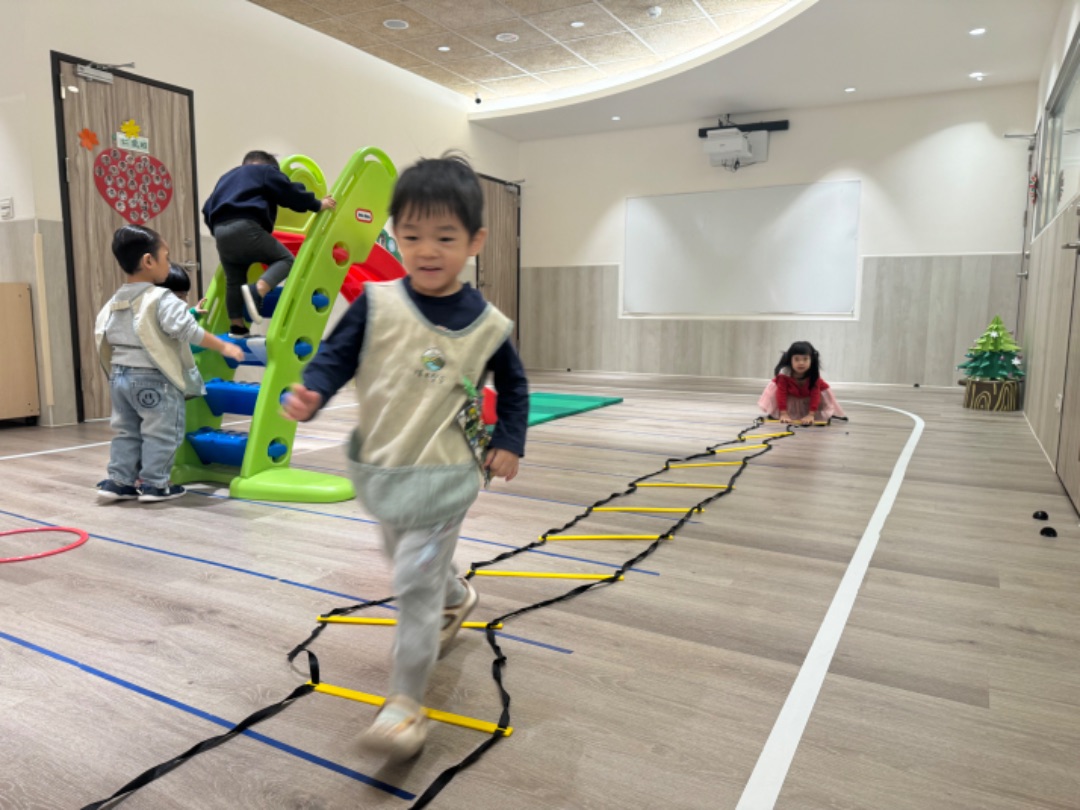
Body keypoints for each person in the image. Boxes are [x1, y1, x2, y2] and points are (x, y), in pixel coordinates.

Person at [283, 154, 529, 761]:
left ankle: (404, 706)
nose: (427, 250)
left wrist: (509, 441)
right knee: (408, 560)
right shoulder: (376, 301)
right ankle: (456, 595)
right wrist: (313, 391)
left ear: (474, 242)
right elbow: (336, 356)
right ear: (395, 235)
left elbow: (515, 386)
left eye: (445, 237)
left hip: (446, 474)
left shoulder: (489, 324)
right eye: (412, 236)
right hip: (384, 470)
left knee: (410, 584)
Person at [95, 224, 244, 503]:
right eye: (166, 256)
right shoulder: (161, 296)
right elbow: (187, 331)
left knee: (127, 432)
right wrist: (223, 345)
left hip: (120, 377)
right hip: (153, 377)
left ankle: (120, 481)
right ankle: (155, 484)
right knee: (161, 432)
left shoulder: (117, 298)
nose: (169, 262)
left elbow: (108, 331)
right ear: (148, 261)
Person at [202, 150, 336, 334]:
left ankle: (237, 326)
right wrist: (317, 204)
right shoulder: (265, 171)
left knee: (234, 281)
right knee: (286, 260)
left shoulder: (225, 178)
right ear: (269, 166)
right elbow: (289, 192)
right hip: (246, 226)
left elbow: (206, 208)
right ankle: (258, 290)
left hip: (221, 233)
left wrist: (218, 230)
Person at [758, 340, 846, 425]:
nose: (801, 363)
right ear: (790, 360)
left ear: (811, 360)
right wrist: (783, 413)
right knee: (775, 387)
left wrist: (811, 415)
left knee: (823, 391)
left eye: (805, 359)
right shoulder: (784, 373)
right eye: (796, 359)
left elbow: (815, 394)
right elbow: (781, 393)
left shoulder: (813, 373)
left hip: (808, 396)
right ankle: (786, 412)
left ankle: (815, 412)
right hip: (791, 395)